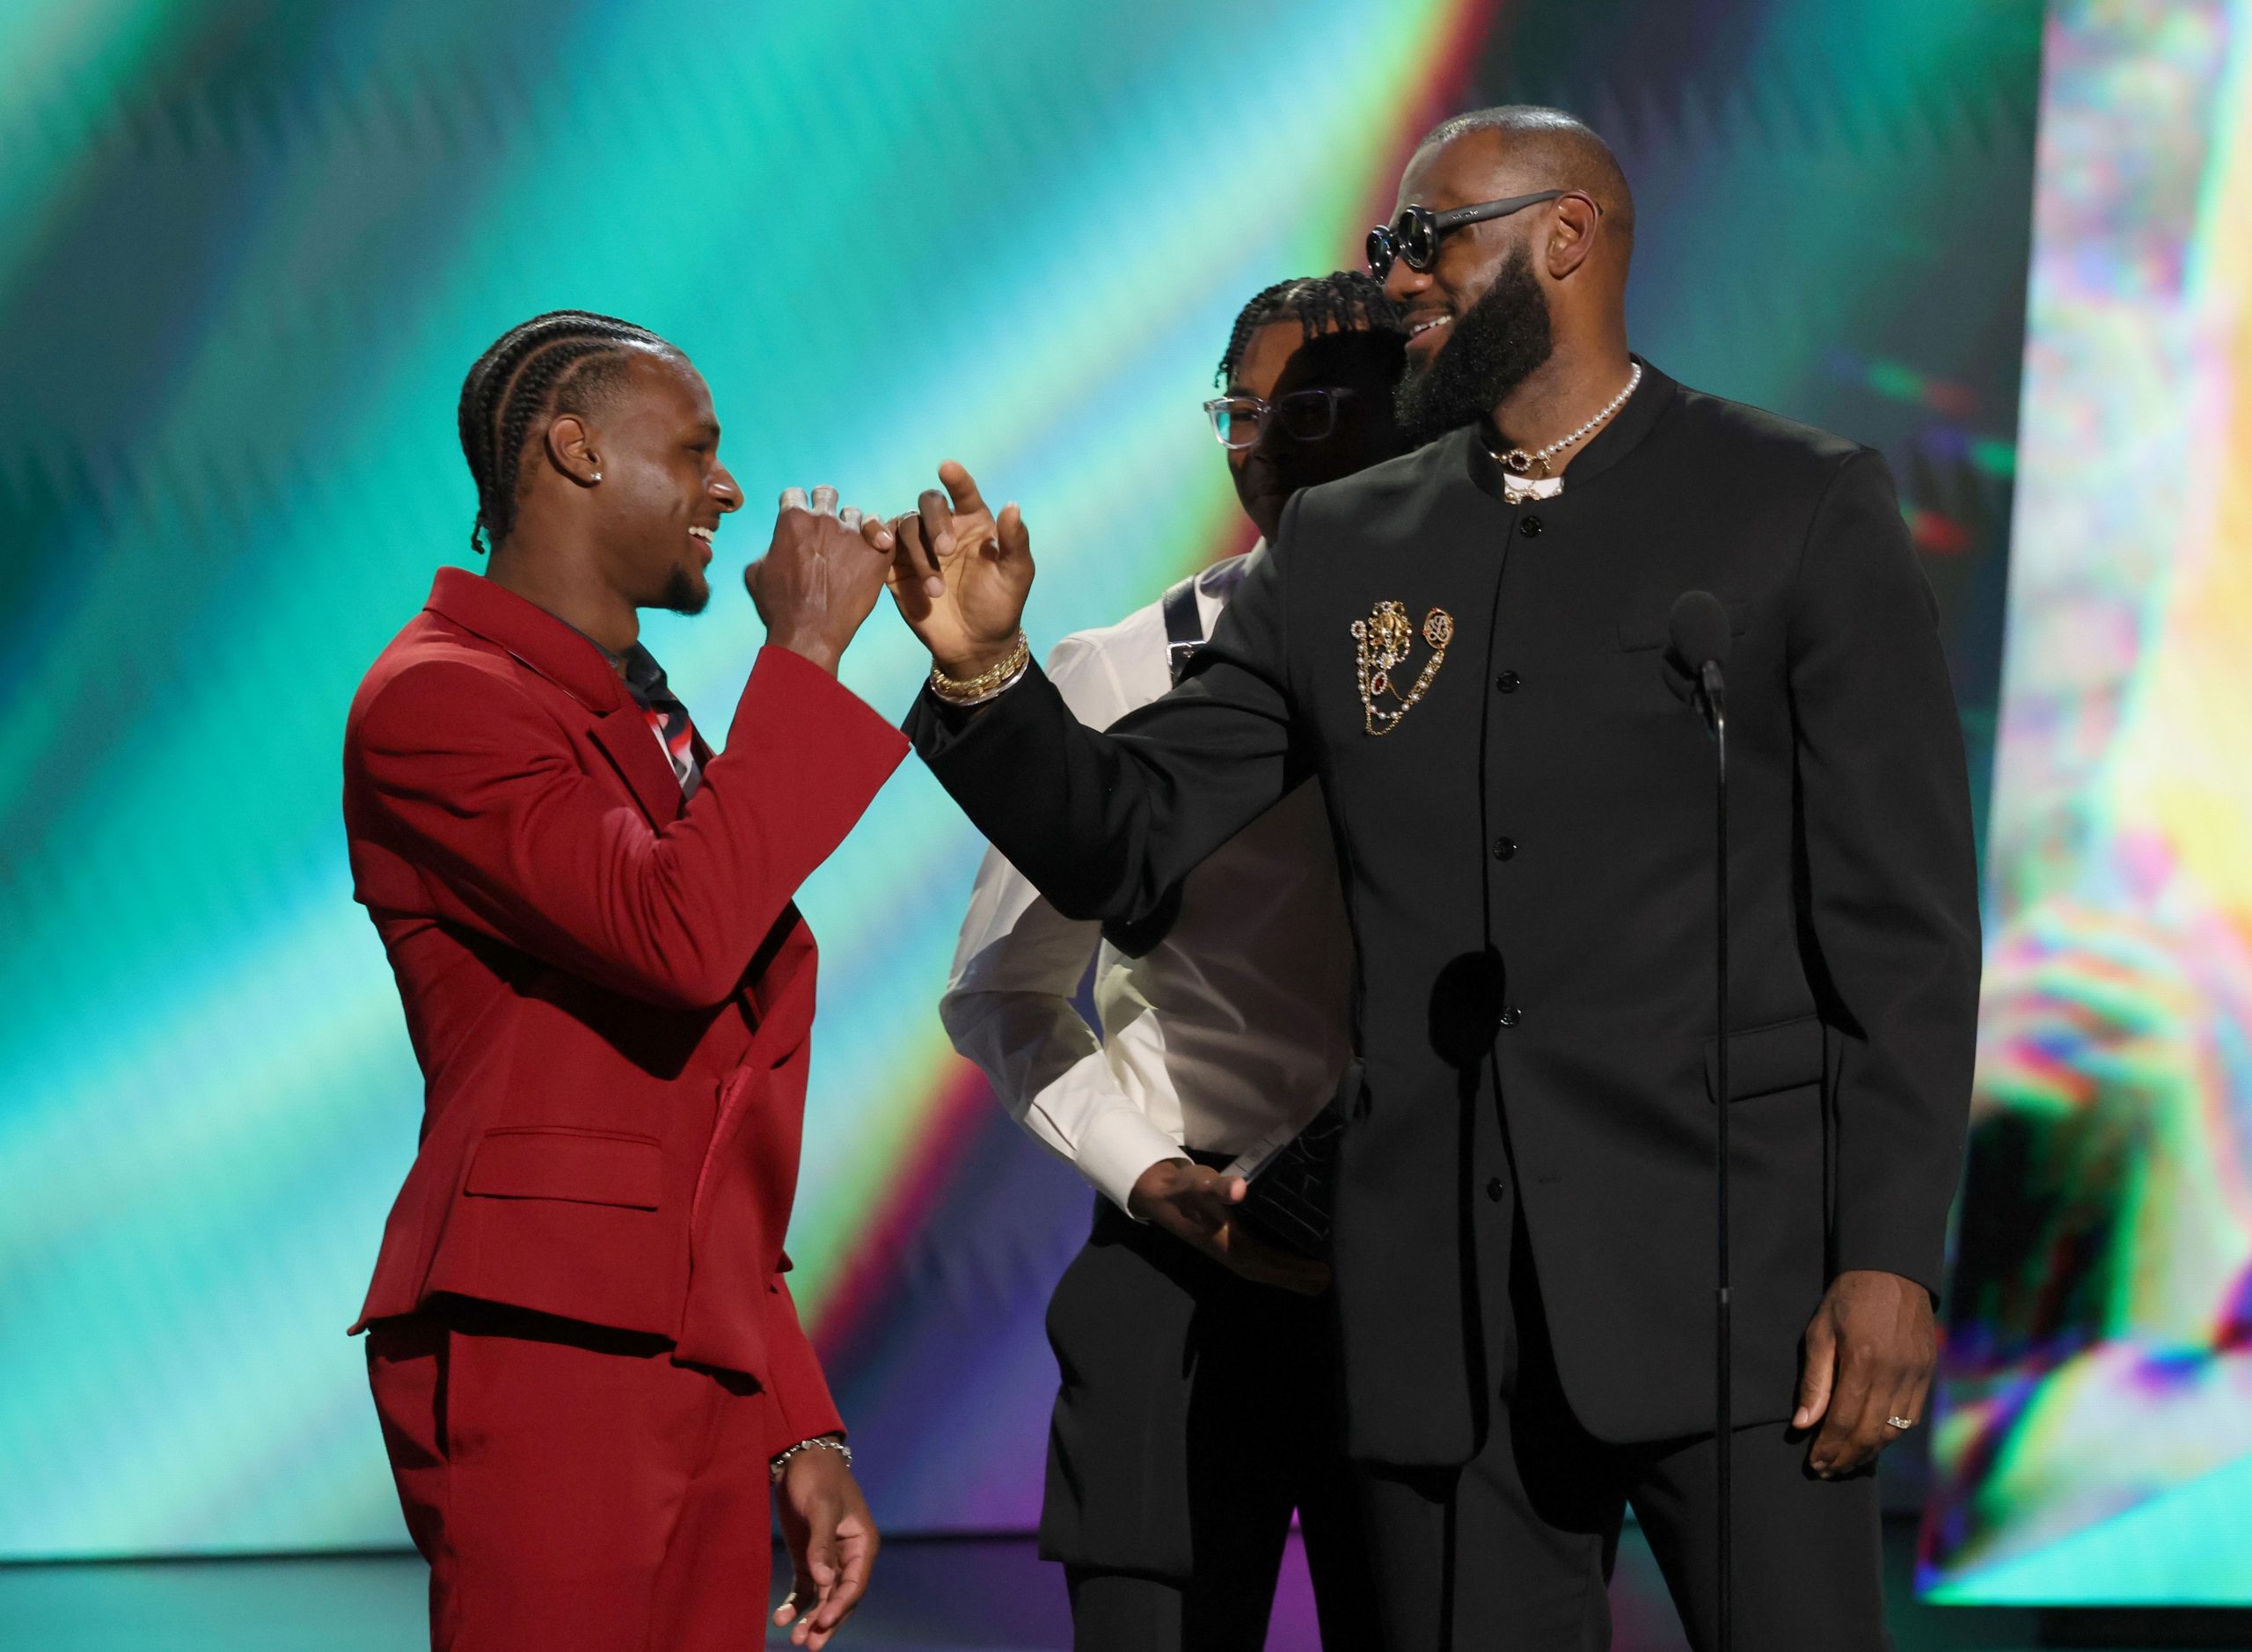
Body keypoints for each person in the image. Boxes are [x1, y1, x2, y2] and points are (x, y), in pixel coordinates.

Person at [884, 107, 1981, 1650]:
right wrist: (994, 679)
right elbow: (1126, 828)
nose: (1395, 278)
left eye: (1428, 240)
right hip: (1440, 1324)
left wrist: (1884, 1258)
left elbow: (1902, 935)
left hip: (1736, 1291)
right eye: (1389, 243)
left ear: (1568, 236)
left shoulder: (1791, 505)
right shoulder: (1344, 545)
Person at [342, 310, 903, 1651]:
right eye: (699, 451)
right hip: (546, 1337)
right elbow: (676, 935)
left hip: (687, 1345)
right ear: (574, 447)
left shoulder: (640, 716)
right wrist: (808, 656)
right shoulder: (439, 698)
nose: (727, 489)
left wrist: (794, 1420)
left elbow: (710, 1100)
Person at [940, 271, 1406, 1651]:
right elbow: (1001, 990)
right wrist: (1150, 1173)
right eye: (1240, 411)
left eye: (1315, 407)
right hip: (1182, 1263)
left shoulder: (1497, 665)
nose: (1266, 442)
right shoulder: (1117, 670)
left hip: (1414, 1260)